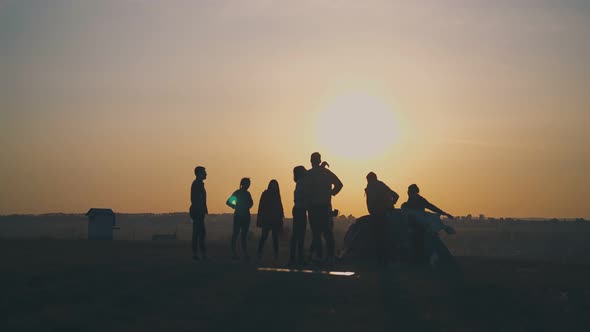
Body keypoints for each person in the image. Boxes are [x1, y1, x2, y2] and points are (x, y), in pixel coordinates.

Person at [304, 152, 343, 266]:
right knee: (328, 233)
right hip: (325, 206)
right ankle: (330, 257)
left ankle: (319, 256)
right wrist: (330, 193)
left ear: (311, 161)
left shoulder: (308, 174)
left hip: (313, 207)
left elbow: (304, 189)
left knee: (316, 234)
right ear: (320, 160)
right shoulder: (326, 173)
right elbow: (339, 184)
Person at [403, 184, 454, 264]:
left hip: (421, 228)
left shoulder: (418, 200)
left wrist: (443, 213)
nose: (409, 193)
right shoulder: (410, 202)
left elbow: (430, 207)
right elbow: (430, 207)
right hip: (415, 227)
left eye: (410, 192)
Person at [364, 172, 399, 265]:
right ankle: (386, 260)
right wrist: (390, 206)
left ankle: (381, 260)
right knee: (386, 238)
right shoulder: (382, 186)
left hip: (378, 216)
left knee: (378, 239)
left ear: (370, 179)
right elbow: (396, 196)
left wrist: (380, 208)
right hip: (387, 215)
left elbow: (372, 201)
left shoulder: (372, 187)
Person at [256, 180, 284, 261]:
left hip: (274, 219)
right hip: (268, 219)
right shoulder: (267, 194)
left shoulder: (275, 195)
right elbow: (261, 207)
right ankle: (260, 253)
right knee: (264, 237)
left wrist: (280, 218)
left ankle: (275, 255)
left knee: (274, 238)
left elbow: (279, 207)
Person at [227, 178, 254, 260]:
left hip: (243, 215)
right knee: (237, 235)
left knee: (242, 235)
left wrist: (235, 206)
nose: (248, 185)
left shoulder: (243, 193)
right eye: (248, 184)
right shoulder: (239, 193)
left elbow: (251, 203)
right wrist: (235, 206)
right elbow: (229, 202)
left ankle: (242, 254)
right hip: (241, 215)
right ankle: (236, 253)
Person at [289, 166, 308, 266]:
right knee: (299, 235)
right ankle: (298, 257)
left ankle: (294, 257)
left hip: (298, 209)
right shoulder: (302, 183)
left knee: (296, 235)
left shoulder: (299, 183)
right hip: (300, 210)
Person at [190, 166, 208, 260]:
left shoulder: (198, 183)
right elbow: (196, 199)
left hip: (197, 211)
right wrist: (200, 210)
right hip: (198, 211)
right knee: (199, 233)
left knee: (198, 233)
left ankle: (197, 254)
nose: (206, 174)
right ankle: (200, 255)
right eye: (204, 172)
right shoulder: (197, 184)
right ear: (199, 173)